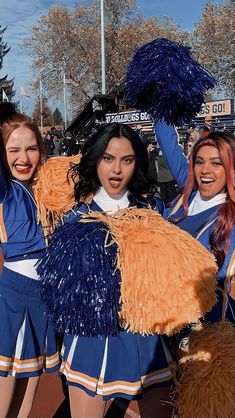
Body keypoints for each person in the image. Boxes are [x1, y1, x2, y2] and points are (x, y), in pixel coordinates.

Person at [37, 122, 218, 418]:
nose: (117, 170)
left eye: (127, 160)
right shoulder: (75, 218)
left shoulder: (154, 211)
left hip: (147, 339)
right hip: (90, 342)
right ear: (96, 160)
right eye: (108, 159)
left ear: (138, 163)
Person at [0, 102, 60, 418]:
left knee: (30, 379)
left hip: (43, 294)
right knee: (8, 378)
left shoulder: (41, 189)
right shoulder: (6, 189)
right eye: (13, 150)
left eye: (32, 148)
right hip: (16, 293)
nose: (24, 159)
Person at [155, 122, 235, 323]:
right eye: (199, 162)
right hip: (158, 314)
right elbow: (167, 141)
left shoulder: (231, 218)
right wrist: (163, 99)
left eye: (216, 163)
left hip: (203, 326)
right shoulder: (189, 191)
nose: (205, 170)